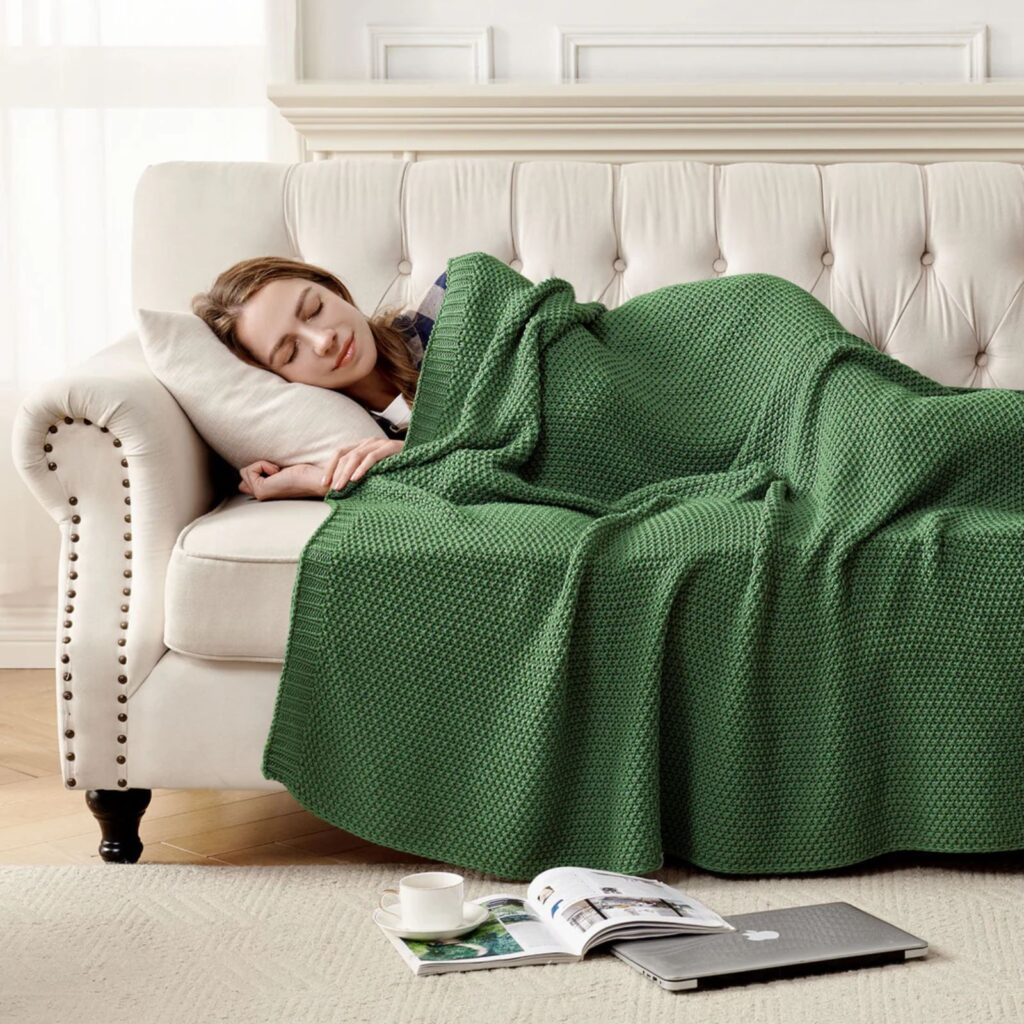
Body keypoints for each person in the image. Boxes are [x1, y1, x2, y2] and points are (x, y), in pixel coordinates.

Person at [192, 256, 447, 501]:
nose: (324, 341)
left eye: (314, 310)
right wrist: (314, 481)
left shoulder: (450, 308)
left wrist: (410, 456)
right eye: (290, 353)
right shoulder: (346, 437)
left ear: (332, 289)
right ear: (276, 378)